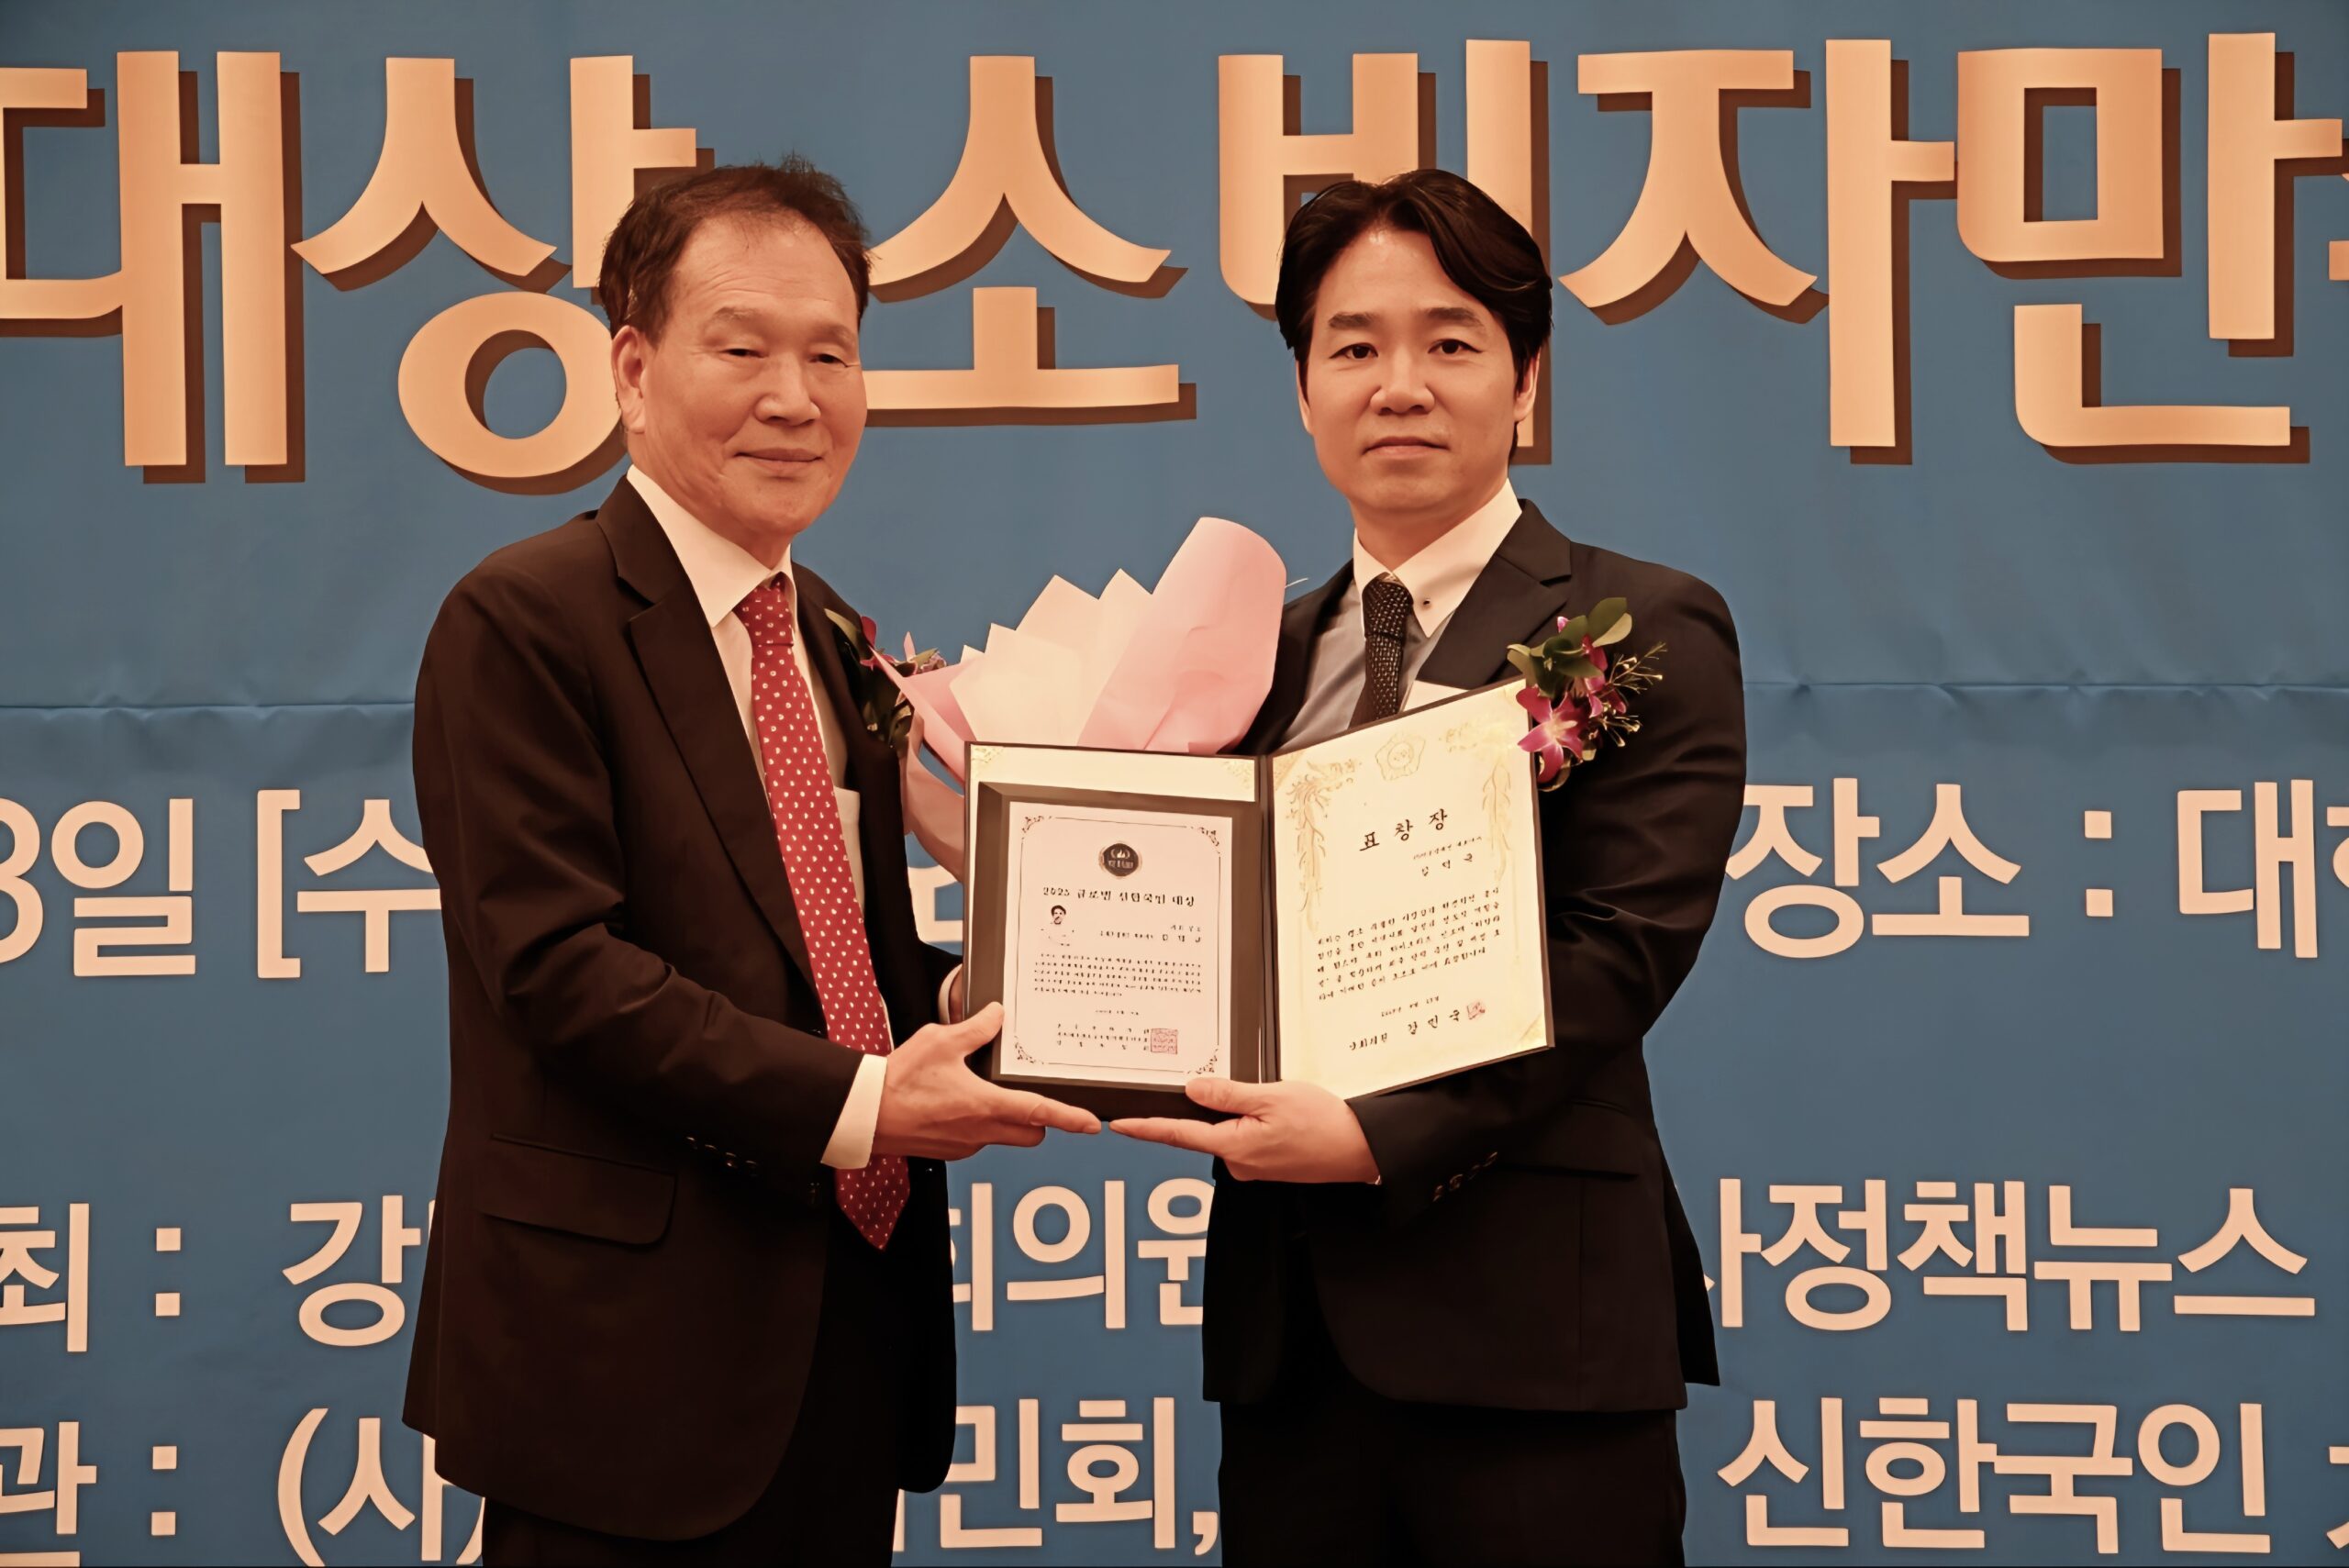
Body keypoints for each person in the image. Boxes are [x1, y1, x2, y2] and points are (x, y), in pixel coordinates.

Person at [402, 159, 1097, 1565]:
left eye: (831, 354)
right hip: (624, 1365)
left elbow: (832, 948)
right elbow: (560, 970)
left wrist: (981, 996)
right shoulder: (525, 618)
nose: (795, 397)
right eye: (743, 350)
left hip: (844, 1327)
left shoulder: (827, 628)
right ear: (633, 368)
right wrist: (868, 1101)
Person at [1112, 170, 1747, 1566]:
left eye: (1450, 342)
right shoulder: (1250, 659)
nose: (1398, 385)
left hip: (1537, 1344)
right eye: (1353, 346)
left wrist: (1377, 1135)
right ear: (1303, 389)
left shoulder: (1639, 625)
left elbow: (1616, 951)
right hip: (1292, 1350)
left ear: (1526, 378)